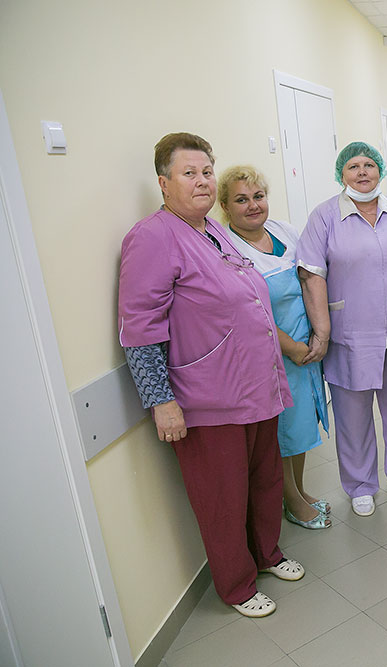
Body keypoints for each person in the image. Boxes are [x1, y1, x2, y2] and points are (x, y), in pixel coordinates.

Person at [118, 133, 302, 619]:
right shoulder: (152, 237)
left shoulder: (212, 229)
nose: (201, 181)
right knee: (222, 498)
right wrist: (161, 401)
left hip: (256, 386)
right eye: (189, 173)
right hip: (207, 398)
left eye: (206, 171)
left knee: (264, 480)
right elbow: (139, 330)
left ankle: (266, 554)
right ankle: (237, 585)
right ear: (164, 183)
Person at [297, 142, 387, 518]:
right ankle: (360, 484)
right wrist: (321, 329)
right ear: (341, 174)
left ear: (380, 170)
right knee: (352, 416)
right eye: (353, 166)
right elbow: (310, 272)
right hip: (349, 334)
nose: (362, 171)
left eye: (369, 164)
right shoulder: (325, 217)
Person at [219, 165, 331, 530]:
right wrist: (292, 348)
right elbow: (249, 313)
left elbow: (309, 279)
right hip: (273, 354)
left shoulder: (283, 231)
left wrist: (316, 337)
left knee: (302, 423)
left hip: (304, 349)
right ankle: (291, 501)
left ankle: (299, 488)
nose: (253, 205)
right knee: (282, 431)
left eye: (258, 196)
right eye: (241, 200)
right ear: (225, 206)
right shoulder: (227, 249)